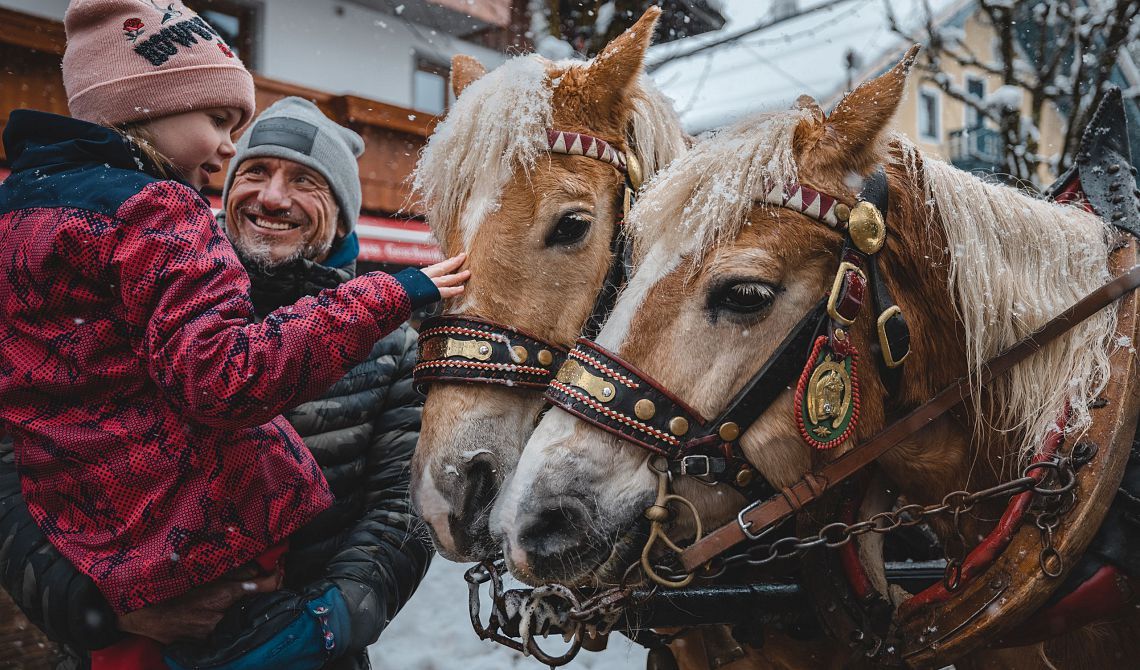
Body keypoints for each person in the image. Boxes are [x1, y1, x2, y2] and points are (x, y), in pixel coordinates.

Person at [0, 0, 465, 667]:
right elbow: (20, 458)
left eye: (305, 182)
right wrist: (96, 606)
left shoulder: (390, 348)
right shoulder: (138, 278)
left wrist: (331, 616)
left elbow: (404, 508)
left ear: (339, 219)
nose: (272, 196)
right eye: (254, 171)